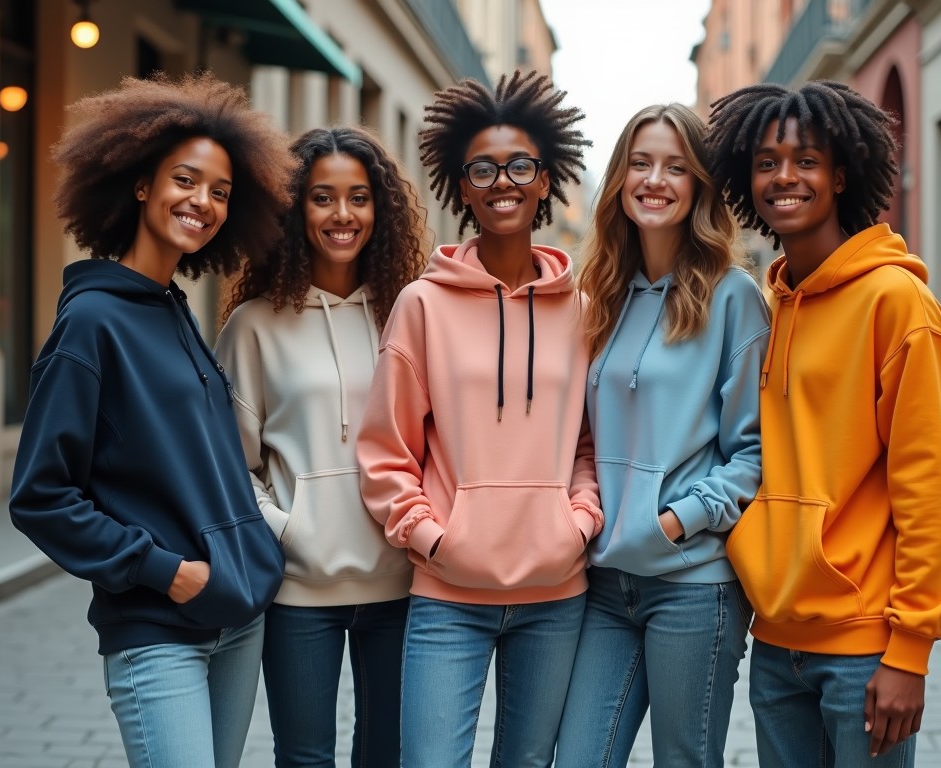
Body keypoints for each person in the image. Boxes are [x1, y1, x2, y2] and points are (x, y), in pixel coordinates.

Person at [9, 73, 293, 768]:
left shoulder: (176, 311)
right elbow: (41, 496)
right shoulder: (92, 322)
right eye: (186, 180)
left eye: (220, 192)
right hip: (157, 628)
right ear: (142, 184)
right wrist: (165, 571)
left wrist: (250, 554)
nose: (202, 202)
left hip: (236, 619)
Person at [707, 80, 941, 767]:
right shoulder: (769, 303)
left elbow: (932, 483)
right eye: (766, 162)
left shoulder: (897, 302)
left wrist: (910, 651)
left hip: (865, 647)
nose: (784, 177)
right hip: (775, 638)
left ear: (842, 174)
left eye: (806, 160)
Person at [355, 70, 602, 768]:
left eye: (520, 165)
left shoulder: (583, 308)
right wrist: (432, 539)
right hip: (446, 595)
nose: (504, 181)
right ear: (462, 187)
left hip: (557, 596)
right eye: (484, 169)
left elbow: (590, 441)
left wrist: (577, 521)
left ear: (546, 179)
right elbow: (386, 449)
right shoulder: (422, 306)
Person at [554, 103, 769, 767]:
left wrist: (677, 520)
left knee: (685, 760)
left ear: (699, 185)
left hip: (693, 583)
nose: (656, 179)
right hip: (604, 583)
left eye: (677, 167)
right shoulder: (603, 294)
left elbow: (755, 449)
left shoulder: (733, 297)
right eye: (641, 163)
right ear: (619, 179)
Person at [214, 125, 428, 767]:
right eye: (322, 197)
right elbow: (230, 463)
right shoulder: (254, 325)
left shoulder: (409, 313)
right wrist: (286, 530)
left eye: (358, 197)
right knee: (304, 757)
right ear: (294, 207)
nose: (342, 215)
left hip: (401, 585)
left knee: (385, 754)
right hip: (297, 591)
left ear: (380, 208)